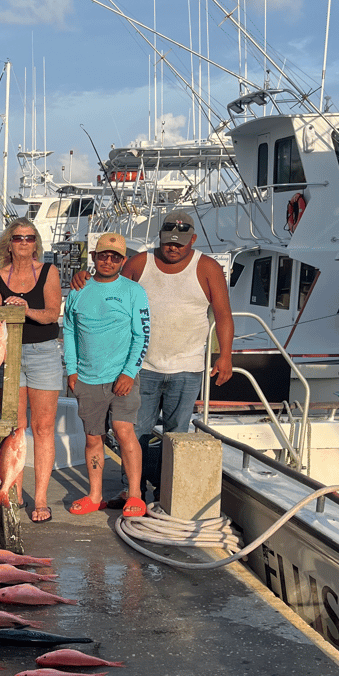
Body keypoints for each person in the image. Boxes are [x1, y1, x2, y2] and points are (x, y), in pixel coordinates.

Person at [70, 209, 234, 504]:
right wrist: (83, 276)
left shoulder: (207, 267)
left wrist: (225, 356)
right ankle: (131, 491)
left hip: (188, 366)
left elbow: (222, 315)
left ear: (193, 240)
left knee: (176, 432)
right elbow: (108, 279)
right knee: (134, 431)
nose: (172, 247)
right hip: (141, 367)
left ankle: (165, 492)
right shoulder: (141, 262)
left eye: (180, 243)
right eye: (168, 241)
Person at [62, 232, 151, 518]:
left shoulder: (134, 291)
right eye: (103, 255)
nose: (109, 261)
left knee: (125, 432)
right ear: (94, 258)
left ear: (123, 261)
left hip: (121, 377)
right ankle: (95, 495)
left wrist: (129, 372)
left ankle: (135, 495)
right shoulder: (78, 289)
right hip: (87, 377)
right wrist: (72, 369)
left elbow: (142, 335)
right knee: (92, 438)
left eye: (115, 257)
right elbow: (69, 331)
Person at [0, 219, 63, 522]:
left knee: (43, 428)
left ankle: (40, 498)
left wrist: (24, 309)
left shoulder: (49, 272)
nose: (24, 243)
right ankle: (12, 491)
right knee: (14, 428)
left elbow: (51, 314)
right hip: (7, 354)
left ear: (36, 243)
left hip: (43, 352)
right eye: (18, 238)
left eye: (30, 238)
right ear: (9, 242)